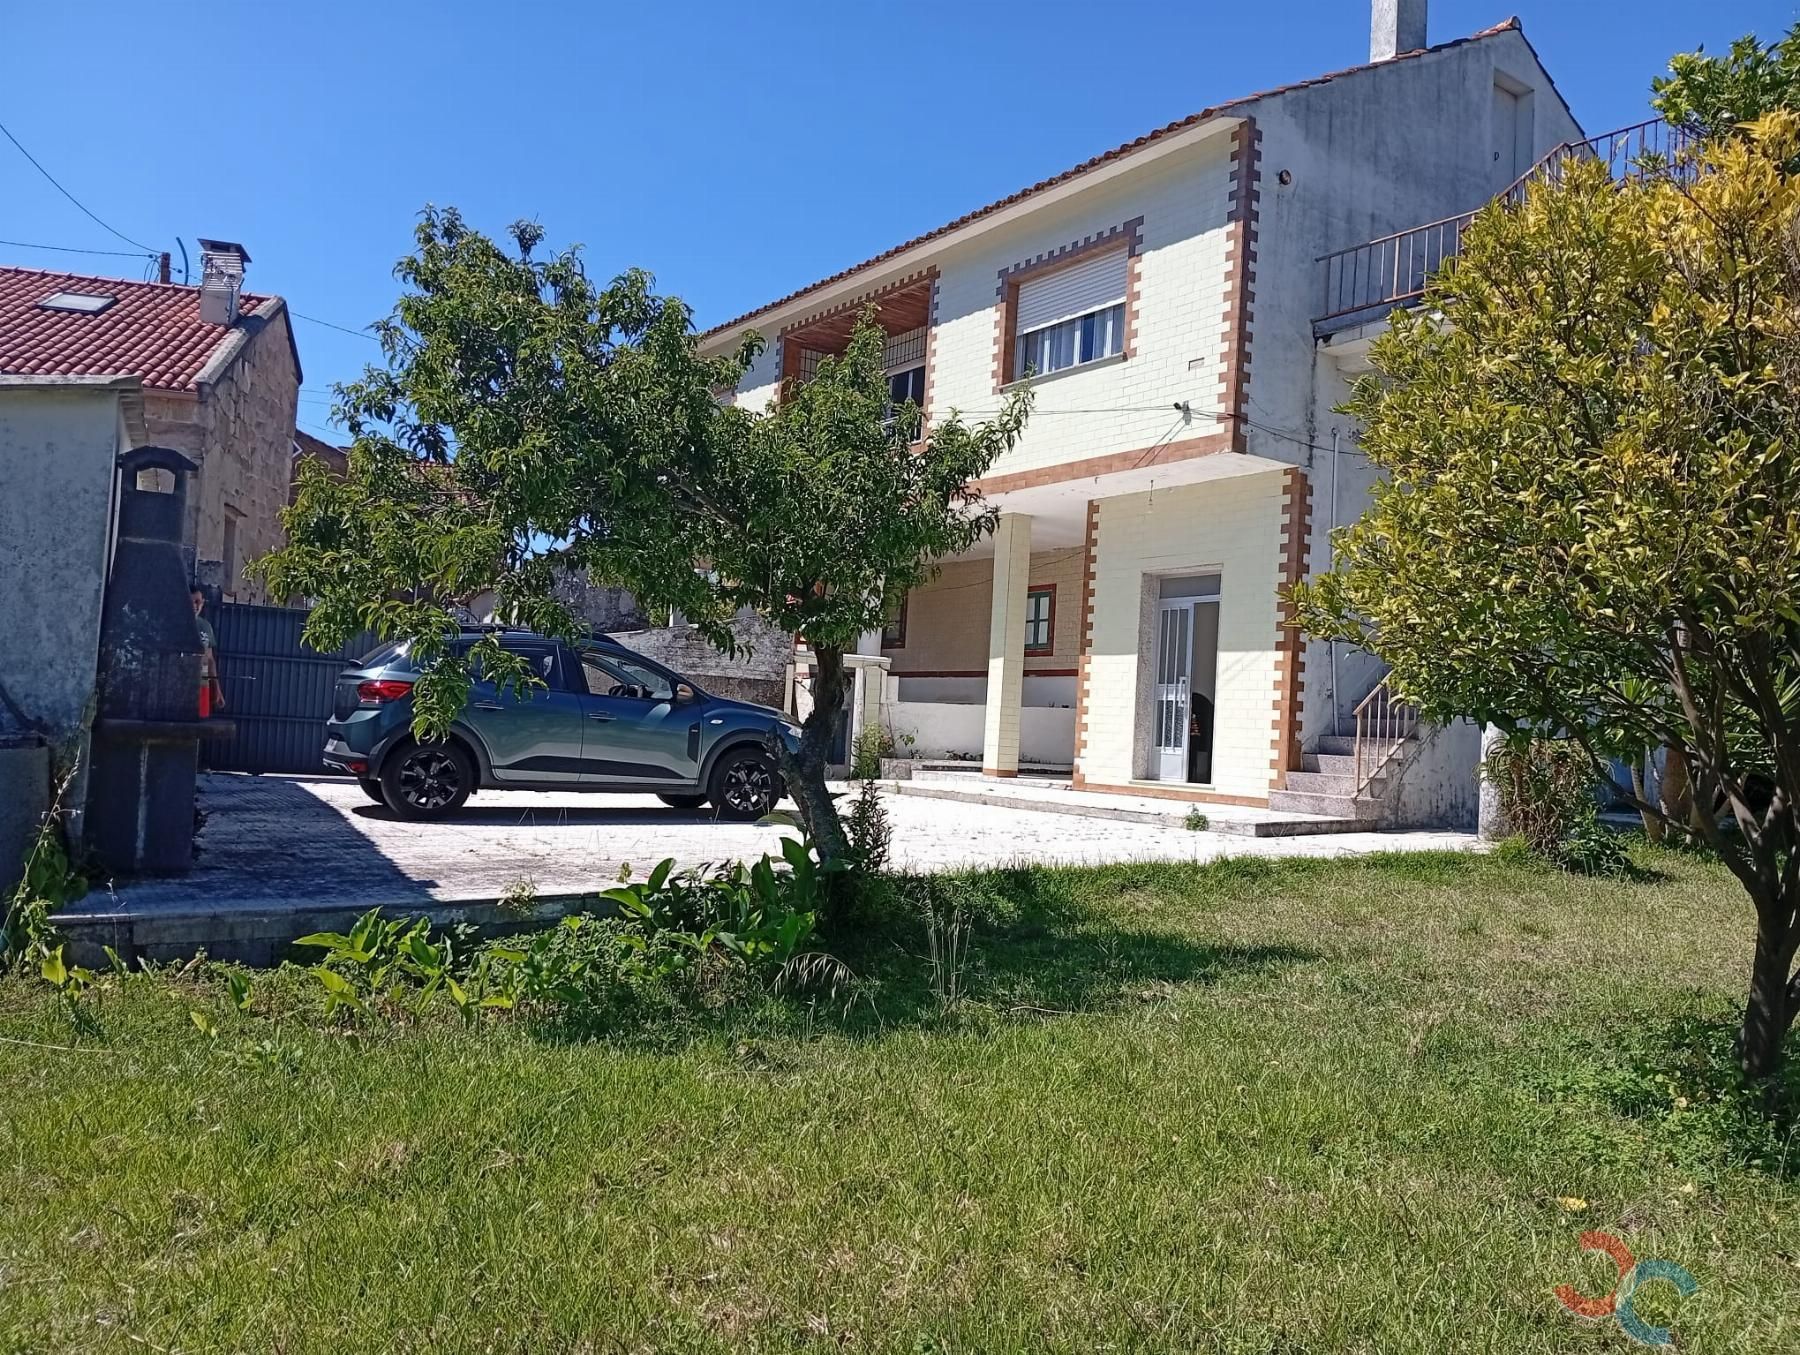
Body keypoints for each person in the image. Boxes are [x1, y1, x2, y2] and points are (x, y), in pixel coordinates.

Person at [192, 586, 225, 715]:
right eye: (192, 602)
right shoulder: (176, 623)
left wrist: (217, 689)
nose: (196, 606)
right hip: (182, 677)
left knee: (202, 715)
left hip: (203, 678)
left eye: (198, 602)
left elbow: (210, 659)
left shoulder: (205, 626)